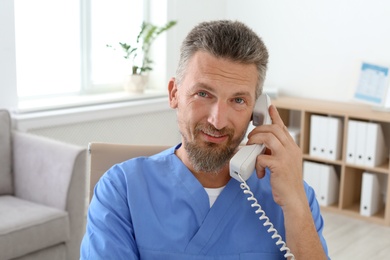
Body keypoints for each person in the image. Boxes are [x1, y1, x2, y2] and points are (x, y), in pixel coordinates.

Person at [80, 20, 329, 259]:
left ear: (257, 111)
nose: (218, 121)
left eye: (238, 100)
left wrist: (295, 204)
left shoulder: (292, 196)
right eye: (203, 93)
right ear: (174, 94)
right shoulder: (121, 190)